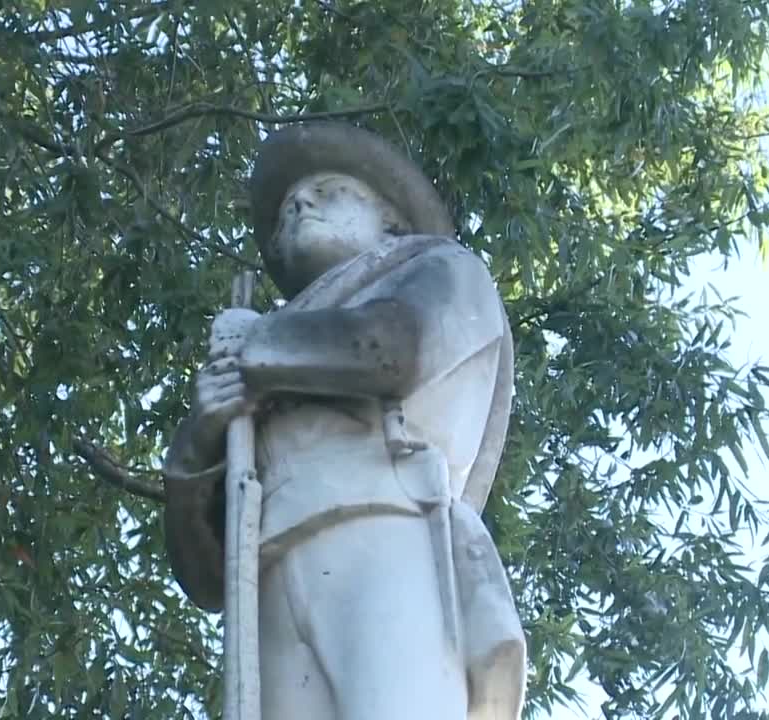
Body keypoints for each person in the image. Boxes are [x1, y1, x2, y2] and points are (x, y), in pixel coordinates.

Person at [162, 123, 525, 720]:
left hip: (381, 525)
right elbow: (204, 578)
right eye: (285, 211)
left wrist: (258, 348)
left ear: (392, 223)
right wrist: (200, 436)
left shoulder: (438, 267)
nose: (300, 205)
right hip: (269, 571)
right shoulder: (269, 347)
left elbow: (390, 350)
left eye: (329, 192)